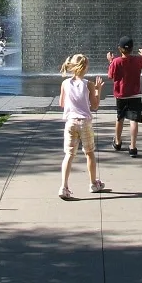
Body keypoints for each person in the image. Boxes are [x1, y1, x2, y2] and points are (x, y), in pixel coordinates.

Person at [58, 53, 105, 199]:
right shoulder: (88, 84)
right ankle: (93, 183)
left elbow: (61, 104)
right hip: (84, 122)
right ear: (85, 67)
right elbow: (95, 106)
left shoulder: (65, 83)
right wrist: (98, 90)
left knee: (69, 155)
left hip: (71, 123)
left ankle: (64, 187)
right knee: (89, 153)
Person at [107, 36, 142, 158]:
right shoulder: (138, 60)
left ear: (119, 49)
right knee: (134, 120)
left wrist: (111, 61)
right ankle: (132, 147)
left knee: (120, 118)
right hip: (135, 95)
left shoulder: (116, 62)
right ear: (132, 49)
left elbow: (110, 76)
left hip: (121, 96)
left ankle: (117, 142)